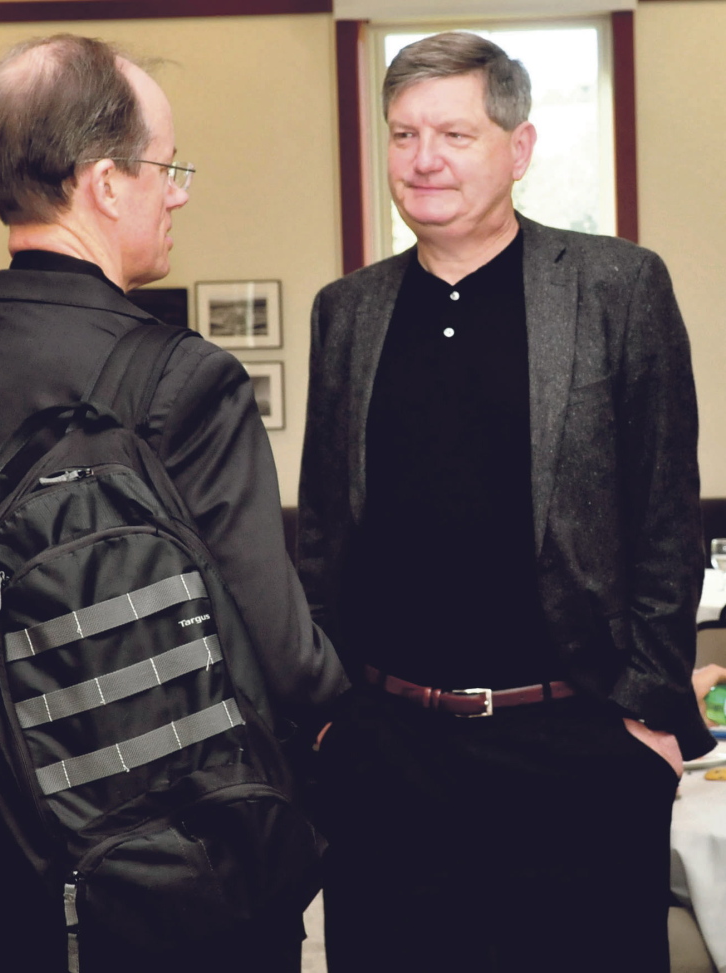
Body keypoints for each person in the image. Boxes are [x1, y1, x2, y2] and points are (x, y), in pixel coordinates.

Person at [0, 34, 345, 973]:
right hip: (154, 901)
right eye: (165, 167)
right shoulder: (186, 382)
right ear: (105, 182)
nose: (178, 190)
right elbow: (279, 657)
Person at [298, 30, 715, 973]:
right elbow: (323, 532)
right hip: (388, 752)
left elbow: (663, 513)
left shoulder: (616, 287)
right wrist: (325, 721)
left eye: (453, 133)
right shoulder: (347, 311)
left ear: (518, 149)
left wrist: (647, 722)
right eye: (403, 135)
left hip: (576, 746)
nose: (424, 160)